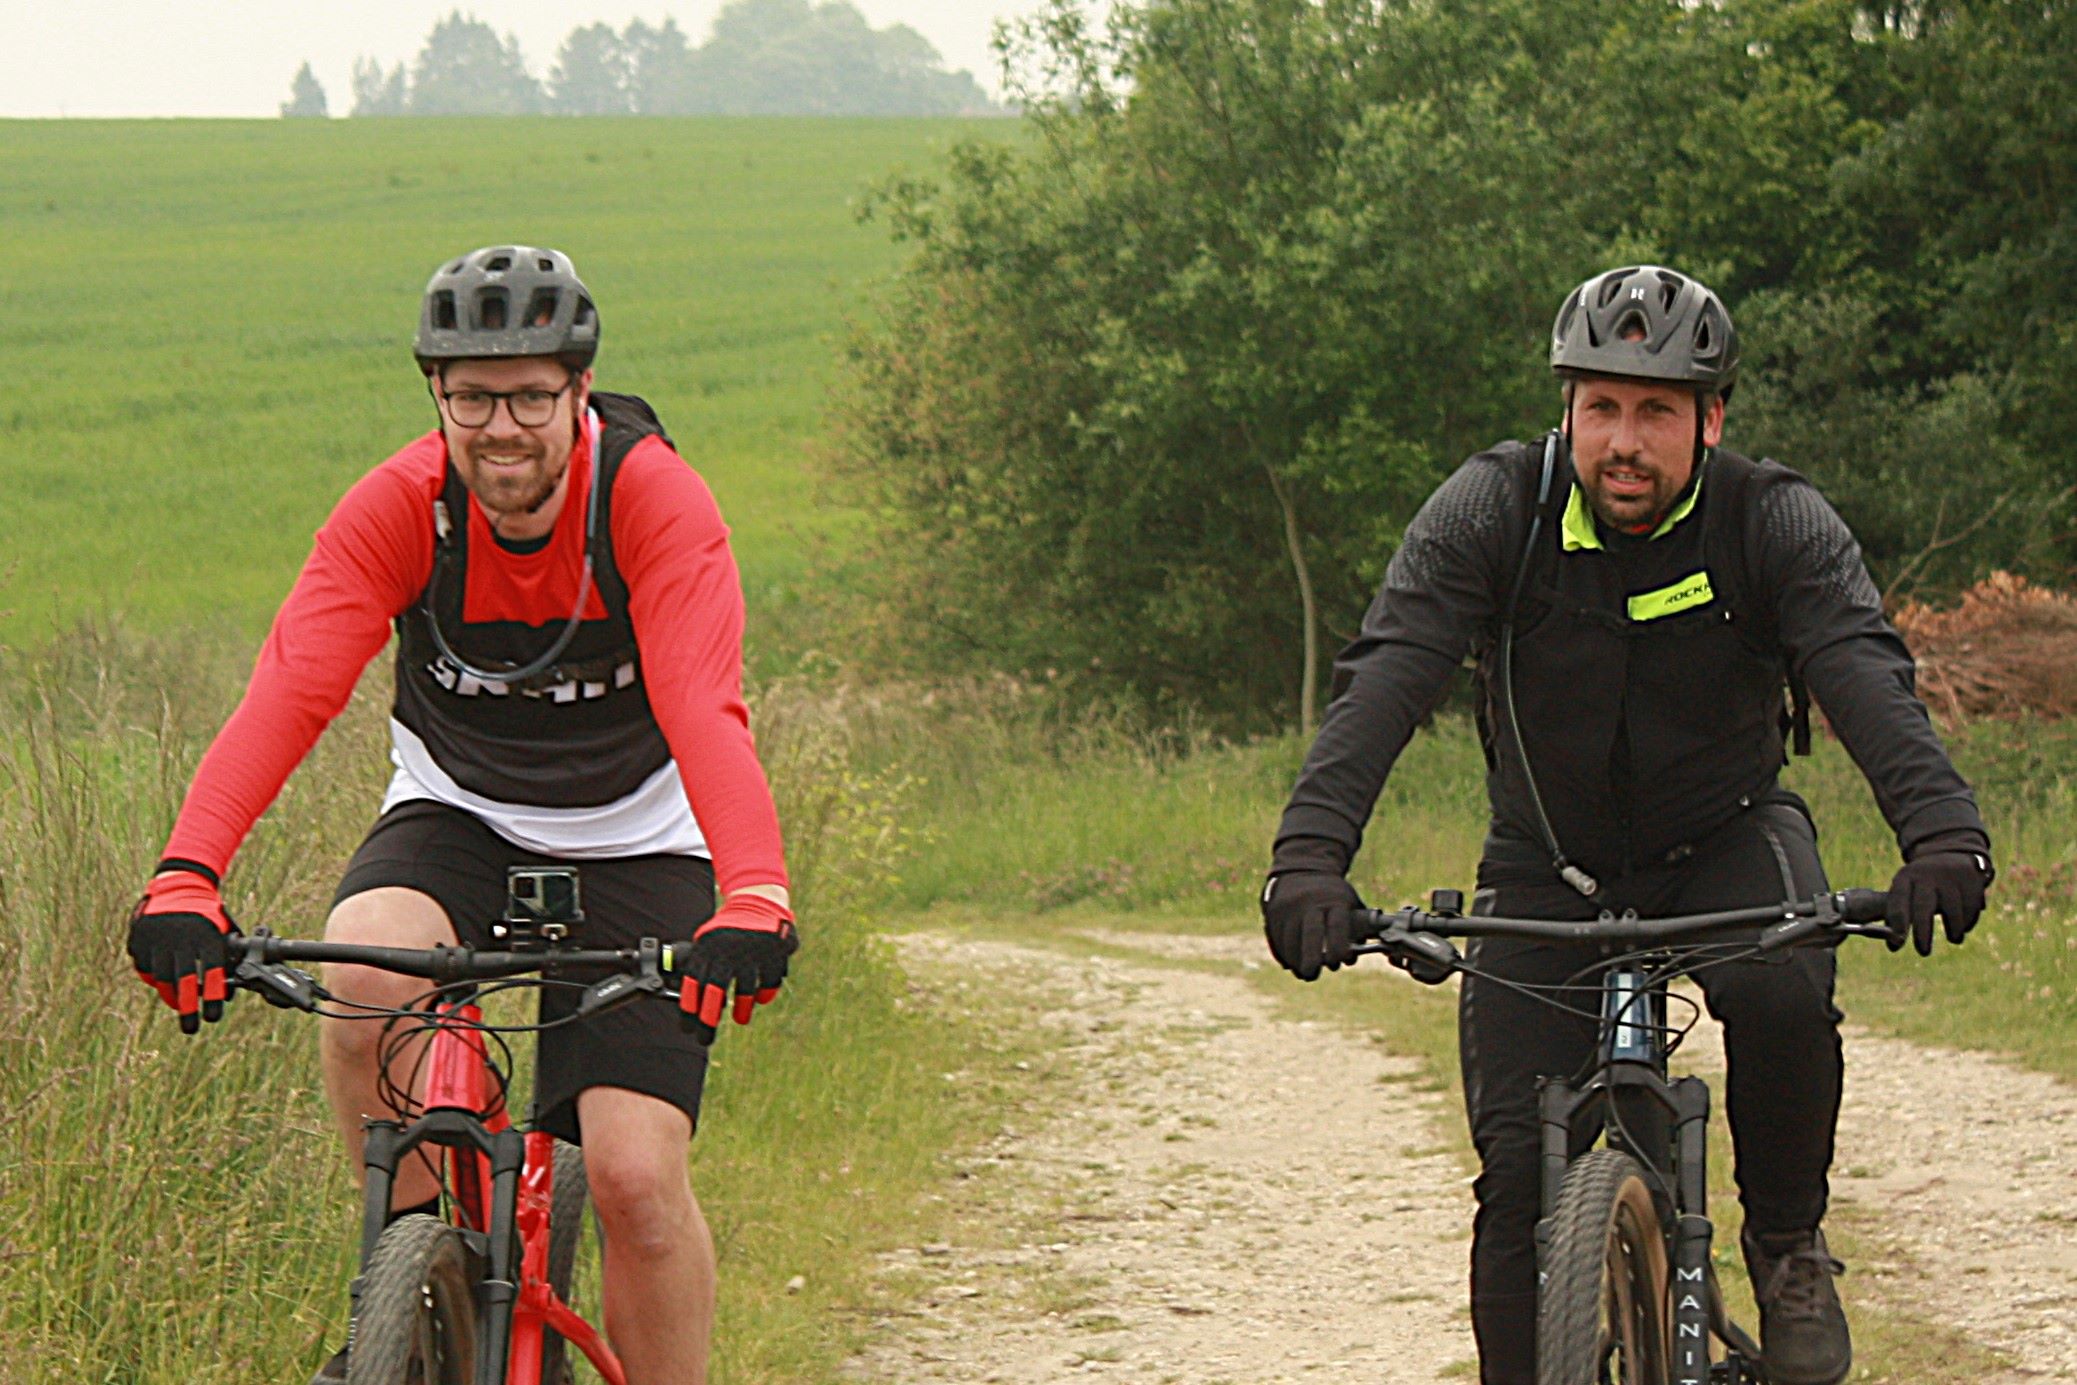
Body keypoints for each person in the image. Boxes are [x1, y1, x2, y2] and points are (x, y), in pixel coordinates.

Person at [1261, 265, 1992, 1385]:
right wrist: (1309, 857)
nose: (1623, 442)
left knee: (1783, 989)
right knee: (1518, 1181)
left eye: (1655, 411)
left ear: (1710, 419)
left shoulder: (1769, 518)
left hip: (1725, 839)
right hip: (1546, 864)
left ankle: (1787, 1242)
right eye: (1599, 406)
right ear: (1567, 409)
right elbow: (1388, 671)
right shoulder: (1492, 509)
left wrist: (1941, 834)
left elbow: (1861, 671)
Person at [124, 245, 796, 1385]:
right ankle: (413, 1296)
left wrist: (755, 893)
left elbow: (703, 706)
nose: (501, 428)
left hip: (640, 829)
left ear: (580, 392)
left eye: (531, 396)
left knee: (634, 1176)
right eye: (472, 398)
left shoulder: (650, 499)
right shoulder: (401, 505)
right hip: (460, 810)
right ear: (435, 393)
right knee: (364, 977)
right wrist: (187, 873)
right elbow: (290, 690)